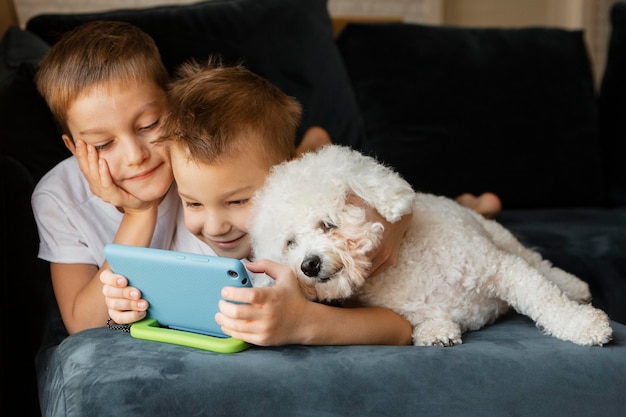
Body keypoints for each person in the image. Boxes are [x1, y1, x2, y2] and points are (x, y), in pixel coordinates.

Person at [31, 20, 412, 337]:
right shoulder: (58, 197)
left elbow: (331, 172)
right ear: (72, 145)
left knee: (308, 151)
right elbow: (83, 324)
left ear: (174, 104)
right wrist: (139, 213)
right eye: (103, 143)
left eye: (149, 125)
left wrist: (394, 217)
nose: (135, 156)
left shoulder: (205, 159)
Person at [102, 59, 501, 345]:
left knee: (440, 212)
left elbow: (400, 325)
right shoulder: (180, 229)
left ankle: (472, 206)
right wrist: (125, 313)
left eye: (238, 201)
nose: (215, 225)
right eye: (193, 204)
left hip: (362, 195)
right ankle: (316, 141)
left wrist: (306, 323)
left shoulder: (325, 243)